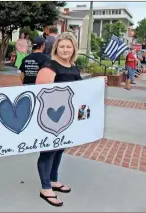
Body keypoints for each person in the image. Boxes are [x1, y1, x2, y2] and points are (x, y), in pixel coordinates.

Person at [35, 32, 107, 207]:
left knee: (59, 149)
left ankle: (52, 180)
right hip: (51, 118)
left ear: (73, 48)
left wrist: (98, 82)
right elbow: (41, 93)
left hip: (67, 117)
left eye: (68, 46)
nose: (65, 49)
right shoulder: (50, 66)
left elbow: (82, 90)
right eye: (62, 46)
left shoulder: (73, 67)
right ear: (56, 48)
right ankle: (45, 188)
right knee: (48, 151)